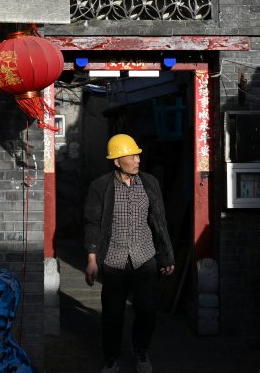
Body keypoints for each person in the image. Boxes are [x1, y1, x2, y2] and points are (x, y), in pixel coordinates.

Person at [84, 134, 175, 373]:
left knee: (147, 309)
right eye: (132, 156)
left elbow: (159, 221)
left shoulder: (150, 183)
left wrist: (166, 256)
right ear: (117, 161)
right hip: (114, 259)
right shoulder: (100, 187)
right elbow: (92, 223)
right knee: (112, 314)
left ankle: (141, 349)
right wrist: (92, 259)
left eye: (137, 155)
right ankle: (111, 357)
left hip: (145, 256)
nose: (137, 160)